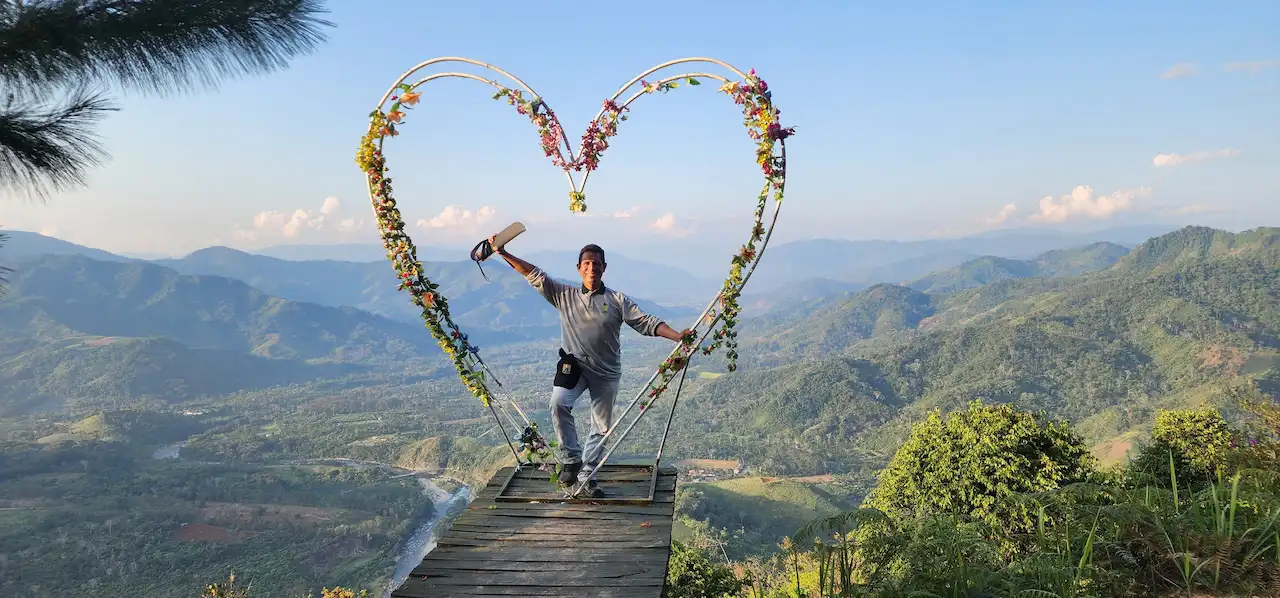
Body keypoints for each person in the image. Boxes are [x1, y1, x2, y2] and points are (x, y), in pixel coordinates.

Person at [490, 237, 691, 497]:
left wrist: (677, 336)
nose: (591, 268)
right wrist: (503, 252)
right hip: (574, 369)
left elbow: (646, 322)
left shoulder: (617, 300)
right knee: (558, 403)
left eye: (596, 264)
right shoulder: (565, 295)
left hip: (606, 374)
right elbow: (533, 274)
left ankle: (587, 477)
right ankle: (572, 460)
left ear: (604, 267)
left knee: (602, 427)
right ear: (578, 268)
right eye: (587, 263)